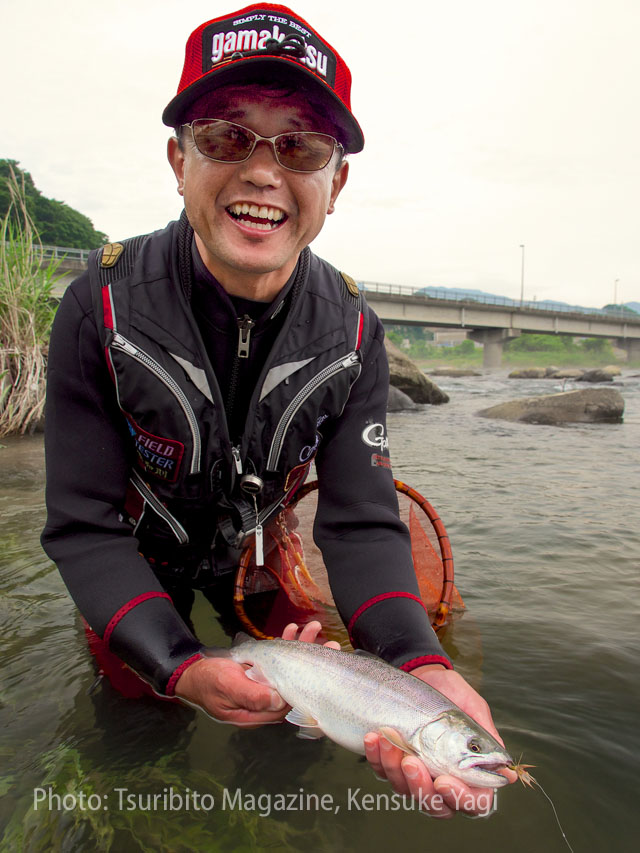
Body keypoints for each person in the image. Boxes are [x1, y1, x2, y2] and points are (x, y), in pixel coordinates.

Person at [41, 3, 514, 816]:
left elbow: (362, 525)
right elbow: (83, 522)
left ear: (338, 182)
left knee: (292, 735)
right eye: (227, 136)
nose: (264, 172)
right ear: (178, 159)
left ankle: (278, 820)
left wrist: (419, 666)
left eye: (300, 146)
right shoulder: (98, 308)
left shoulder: (357, 332)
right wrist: (182, 666)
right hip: (134, 558)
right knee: (138, 715)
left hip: (260, 553)